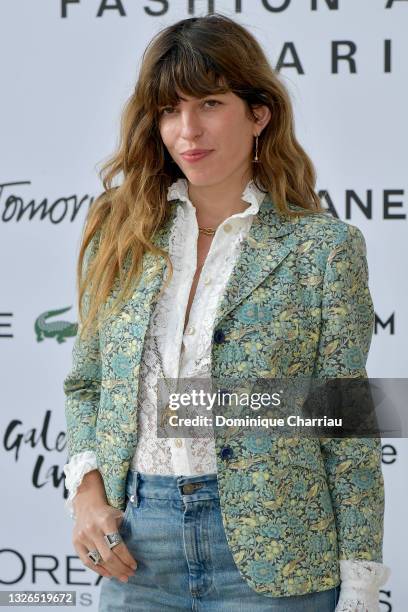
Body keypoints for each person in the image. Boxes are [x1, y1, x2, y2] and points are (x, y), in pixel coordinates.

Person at [63, 13, 390, 612]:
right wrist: (87, 494)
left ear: (258, 112)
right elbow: (87, 384)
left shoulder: (323, 247)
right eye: (169, 110)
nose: (188, 130)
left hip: (280, 558)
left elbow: (344, 419)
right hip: (138, 548)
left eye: (210, 103)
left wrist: (361, 581)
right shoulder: (120, 230)